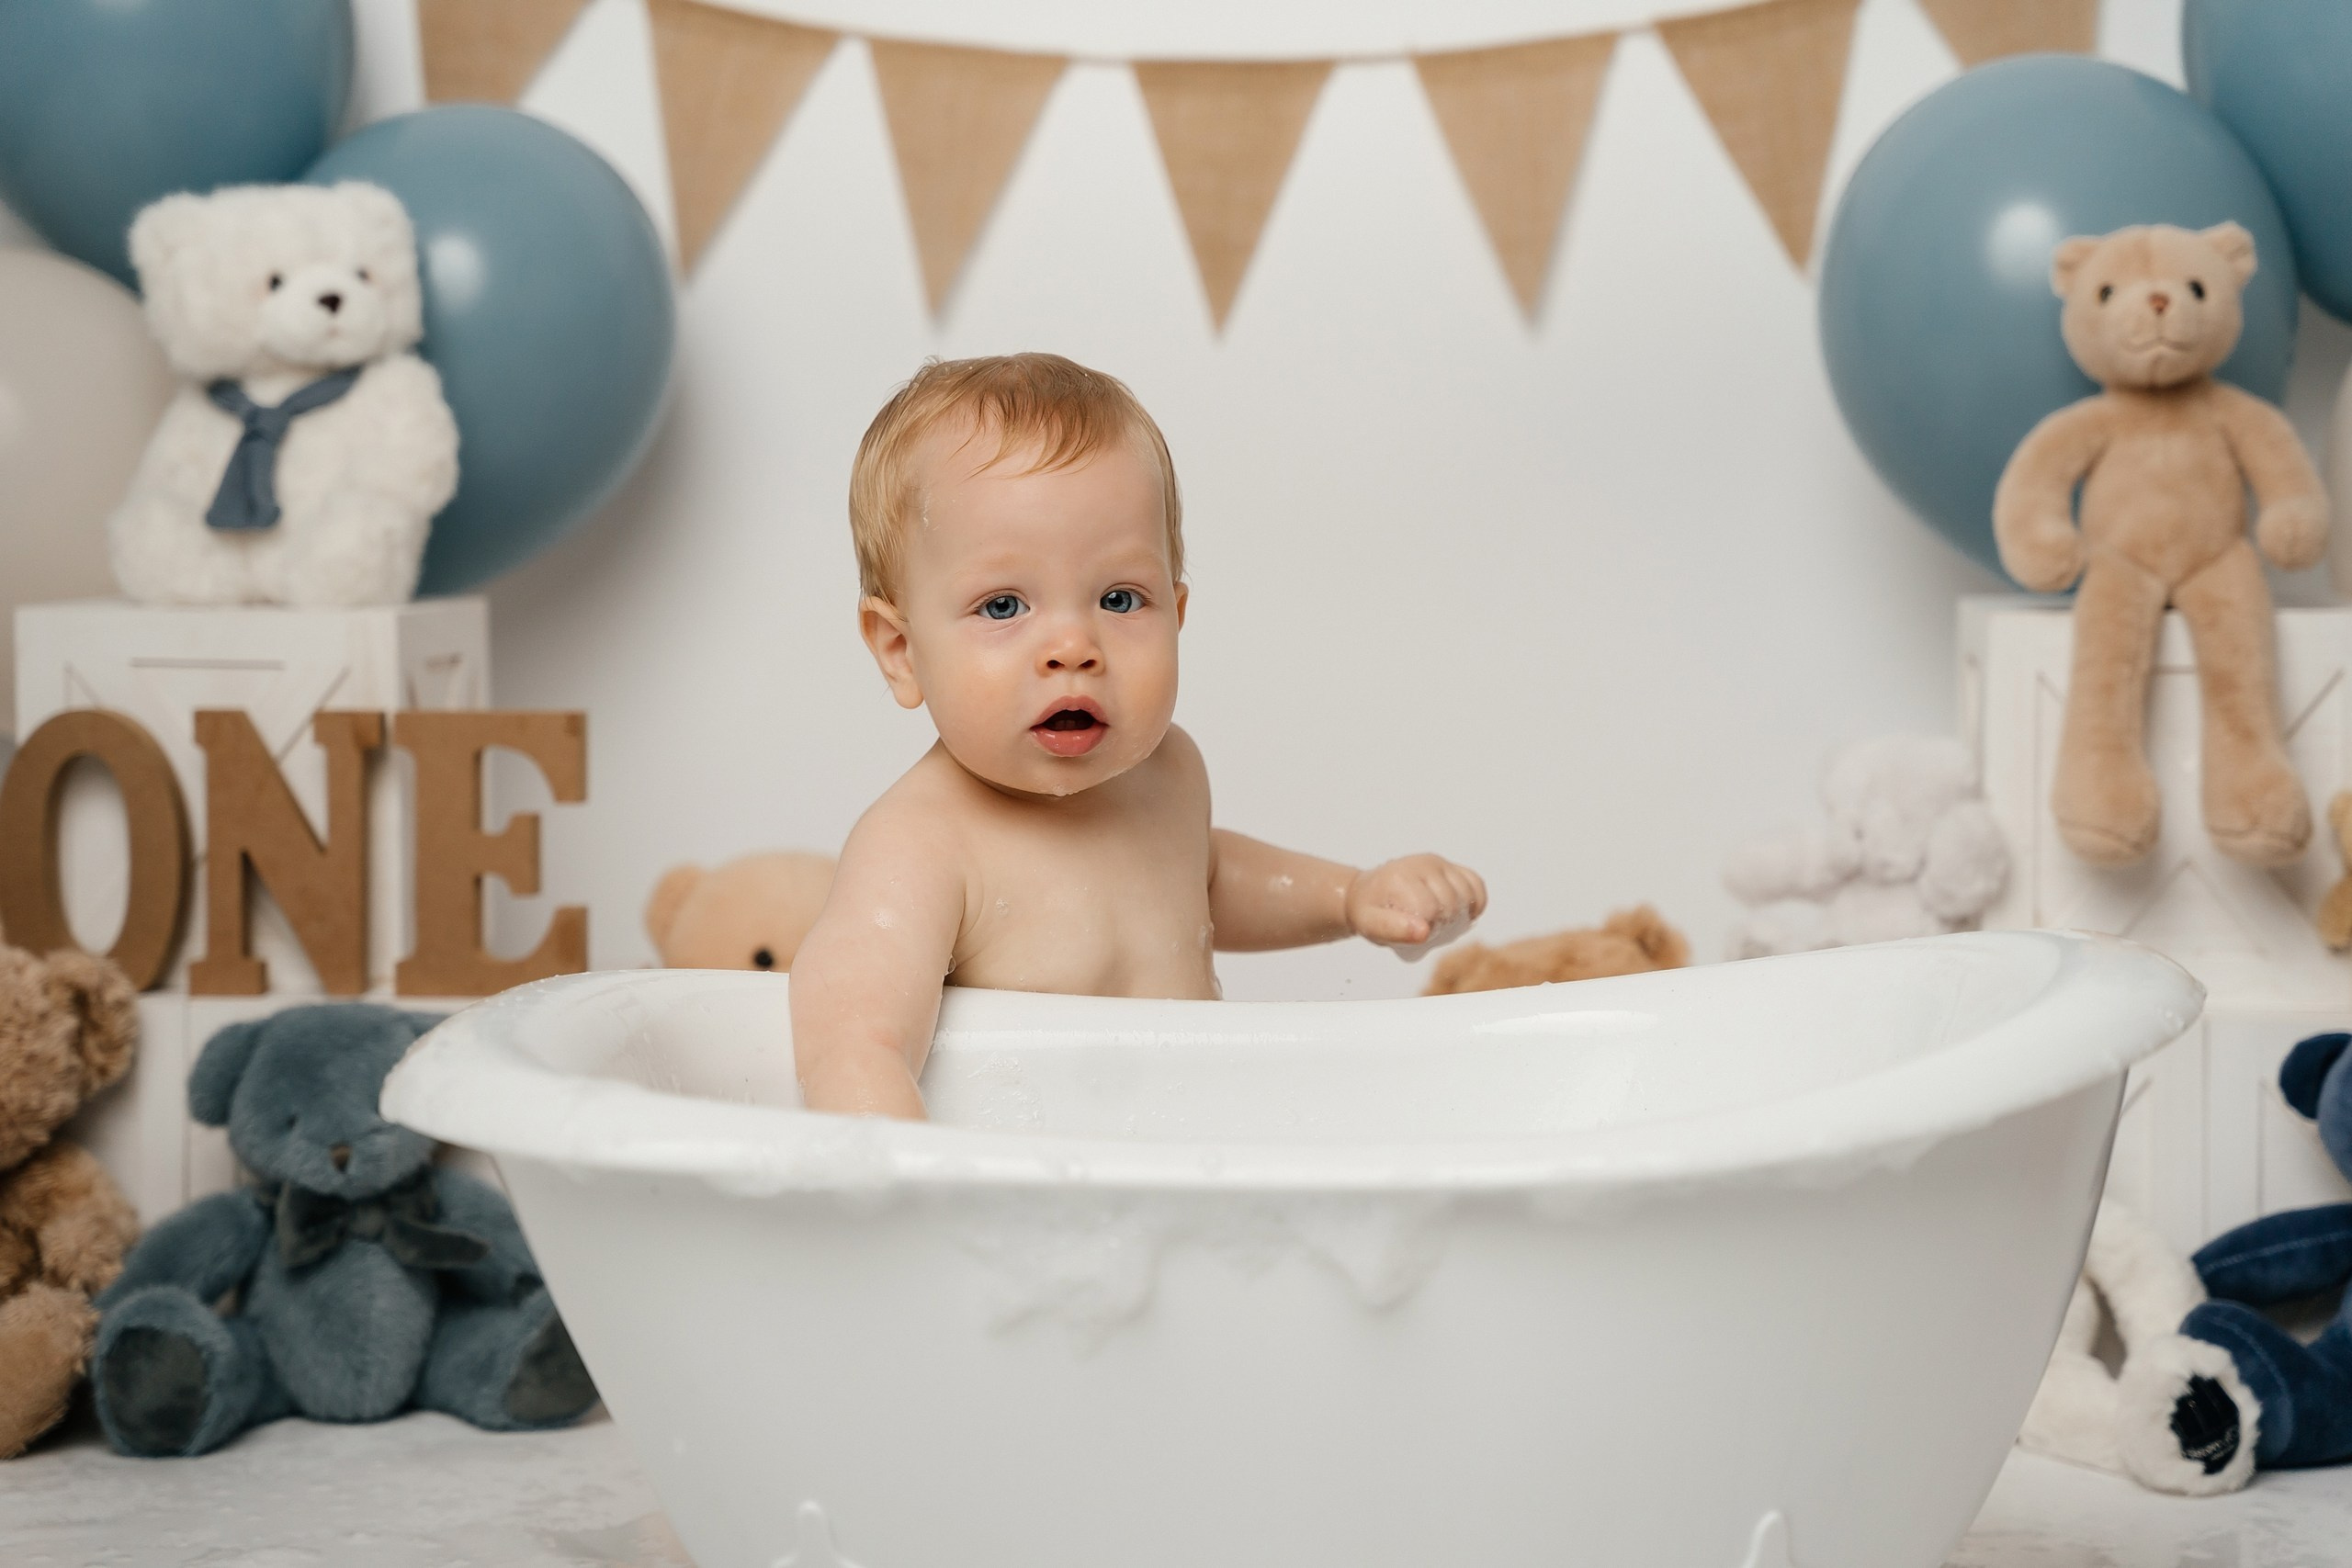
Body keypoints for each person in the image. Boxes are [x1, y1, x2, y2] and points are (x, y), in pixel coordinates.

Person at [789, 353, 1487, 1118]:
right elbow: (853, 1041)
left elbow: (1207, 877)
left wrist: (1351, 895)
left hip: (1184, 1173)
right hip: (1022, 1197)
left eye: (1121, 598)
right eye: (1002, 607)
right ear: (901, 650)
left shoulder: (1169, 772)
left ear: (1178, 615)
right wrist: (915, 1187)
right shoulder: (920, 845)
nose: (1073, 646)